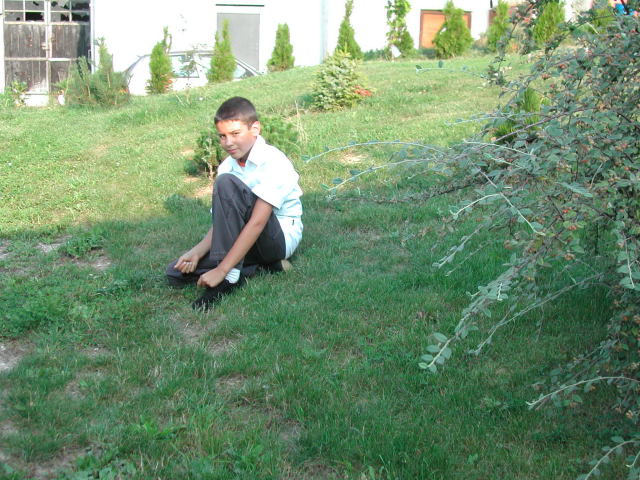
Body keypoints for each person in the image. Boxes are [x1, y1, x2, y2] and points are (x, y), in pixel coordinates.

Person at [166, 97, 303, 310]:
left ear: (255, 129)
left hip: (276, 239)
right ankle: (259, 268)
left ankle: (228, 277)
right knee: (175, 273)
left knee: (226, 183)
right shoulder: (228, 166)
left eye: (235, 133)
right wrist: (197, 251)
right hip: (245, 237)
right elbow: (224, 222)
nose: (228, 142)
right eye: (222, 136)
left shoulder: (274, 161)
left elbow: (258, 222)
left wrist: (221, 269)